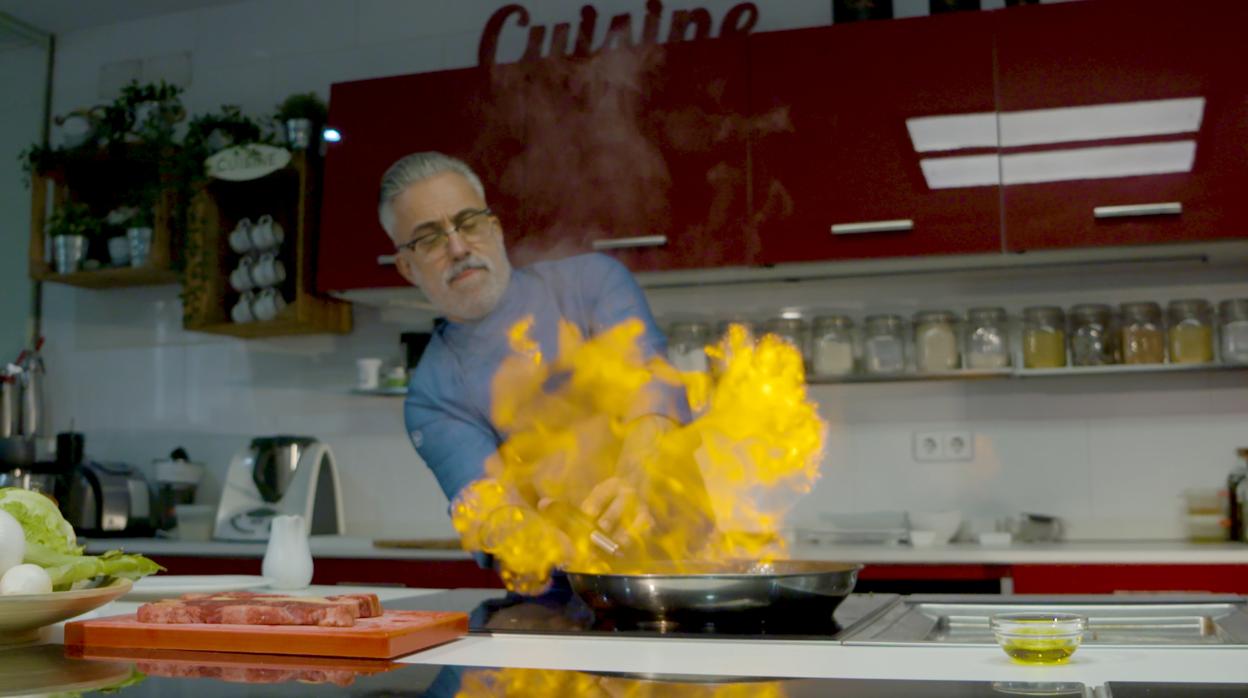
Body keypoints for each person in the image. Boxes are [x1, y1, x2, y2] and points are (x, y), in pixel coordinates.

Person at [378, 151, 690, 548]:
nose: (457, 247)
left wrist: (634, 480)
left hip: (686, 560)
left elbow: (652, 387)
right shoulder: (433, 396)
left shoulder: (591, 282)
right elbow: (484, 502)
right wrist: (517, 530)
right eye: (429, 238)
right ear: (407, 267)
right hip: (559, 588)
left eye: (468, 223)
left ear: (495, 229)